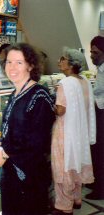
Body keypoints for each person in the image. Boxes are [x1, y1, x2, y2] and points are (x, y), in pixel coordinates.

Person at [0, 43, 56, 214]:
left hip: (29, 177)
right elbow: (12, 128)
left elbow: (37, 140)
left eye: (19, 62)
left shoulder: (39, 95)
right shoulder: (15, 93)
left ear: (30, 65)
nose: (12, 67)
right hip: (11, 175)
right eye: (9, 62)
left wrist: (4, 152)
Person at [51, 48, 96, 215]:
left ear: (70, 64)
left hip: (65, 131)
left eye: (62, 59)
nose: (59, 62)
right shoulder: (83, 80)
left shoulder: (65, 83)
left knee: (63, 166)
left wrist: (50, 104)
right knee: (76, 163)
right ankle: (76, 198)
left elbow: (61, 110)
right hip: (80, 132)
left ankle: (64, 206)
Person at [86, 36, 104, 200]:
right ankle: (96, 181)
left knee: (100, 152)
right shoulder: (99, 69)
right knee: (96, 149)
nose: (92, 56)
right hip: (98, 113)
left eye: (95, 52)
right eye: (91, 51)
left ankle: (101, 189)